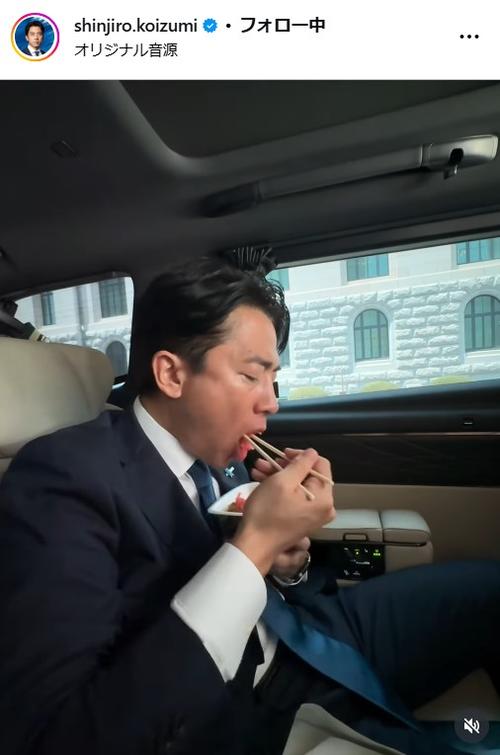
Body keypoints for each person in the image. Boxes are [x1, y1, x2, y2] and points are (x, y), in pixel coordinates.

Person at [0, 257, 499, 755]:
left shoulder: (217, 450)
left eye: (273, 377)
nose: (271, 402)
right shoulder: (62, 480)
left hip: (301, 634)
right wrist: (256, 545)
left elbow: (274, 581)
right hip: (231, 715)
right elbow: (63, 737)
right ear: (172, 374)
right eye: (251, 375)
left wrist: (288, 563)